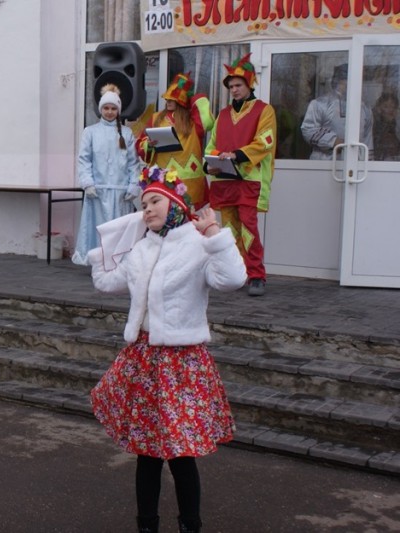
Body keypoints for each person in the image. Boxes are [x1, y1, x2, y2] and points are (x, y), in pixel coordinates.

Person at [88, 165, 246, 533]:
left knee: (180, 453)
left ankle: (190, 524)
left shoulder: (197, 244)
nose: (147, 210)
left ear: (175, 203)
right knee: (147, 453)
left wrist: (215, 236)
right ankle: (147, 525)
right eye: (143, 205)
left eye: (155, 201)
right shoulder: (142, 248)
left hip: (182, 362)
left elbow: (233, 279)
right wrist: (104, 248)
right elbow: (108, 283)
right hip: (143, 359)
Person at [205, 53, 277, 297]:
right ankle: (237, 273)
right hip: (224, 180)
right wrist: (211, 164)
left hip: (249, 180)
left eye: (238, 85)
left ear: (250, 84)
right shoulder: (223, 114)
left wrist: (236, 155)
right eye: (231, 86)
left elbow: (265, 142)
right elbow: (211, 145)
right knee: (230, 230)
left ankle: (256, 275)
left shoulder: (264, 111)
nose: (234, 90)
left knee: (248, 228)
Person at [72, 83, 142, 265]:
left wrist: (134, 185)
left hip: (120, 193)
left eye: (113, 108)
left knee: (119, 230)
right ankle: (98, 261)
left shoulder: (126, 134)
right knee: (98, 229)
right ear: (100, 109)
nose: (109, 112)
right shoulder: (90, 132)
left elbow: (133, 163)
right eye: (106, 108)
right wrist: (87, 183)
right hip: (98, 191)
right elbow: (84, 159)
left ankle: (118, 262)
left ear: (118, 110)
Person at [136, 72, 215, 209]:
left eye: (172, 99)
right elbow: (141, 144)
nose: (168, 102)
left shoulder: (193, 121)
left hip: (189, 182)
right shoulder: (155, 118)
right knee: (164, 218)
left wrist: (190, 96)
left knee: (187, 221)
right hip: (162, 179)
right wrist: (149, 145)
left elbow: (208, 121)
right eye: (167, 99)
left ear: (181, 102)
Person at [300, 63, 373, 160]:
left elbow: (367, 139)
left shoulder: (364, 108)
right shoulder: (320, 104)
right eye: (344, 82)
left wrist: (368, 162)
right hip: (323, 165)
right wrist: (333, 141)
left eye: (353, 82)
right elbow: (308, 129)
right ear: (336, 81)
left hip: (355, 166)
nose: (348, 86)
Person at [371, 92, 400, 161]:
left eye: (392, 106)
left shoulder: (397, 124)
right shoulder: (375, 123)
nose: (390, 110)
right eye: (386, 106)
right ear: (379, 108)